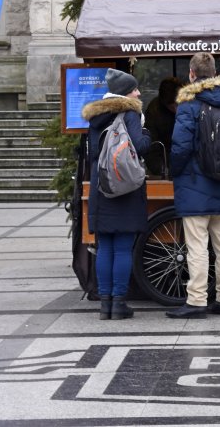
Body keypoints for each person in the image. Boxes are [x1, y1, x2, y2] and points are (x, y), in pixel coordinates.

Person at [166, 51, 220, 319]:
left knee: (197, 245)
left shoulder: (188, 105)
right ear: (214, 72)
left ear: (192, 74)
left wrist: (174, 171)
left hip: (194, 182)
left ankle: (196, 301)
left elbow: (180, 146)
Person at [81, 68, 151, 320]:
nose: (138, 92)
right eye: (134, 89)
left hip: (102, 187)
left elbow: (92, 155)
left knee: (105, 247)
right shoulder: (129, 112)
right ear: (125, 93)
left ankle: (105, 304)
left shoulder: (96, 116)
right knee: (122, 247)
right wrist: (146, 133)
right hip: (125, 189)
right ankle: (119, 302)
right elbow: (140, 147)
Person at [144, 76, 181, 173]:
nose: (176, 109)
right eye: (171, 106)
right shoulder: (154, 111)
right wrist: (161, 170)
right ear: (164, 103)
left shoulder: (191, 105)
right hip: (164, 160)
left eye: (177, 104)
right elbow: (152, 146)